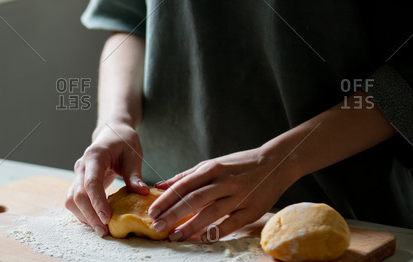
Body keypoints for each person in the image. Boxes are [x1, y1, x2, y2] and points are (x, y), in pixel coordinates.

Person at [65, 0, 413, 242]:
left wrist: (280, 160)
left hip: (349, 214)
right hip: (161, 199)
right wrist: (115, 122)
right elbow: (129, 23)